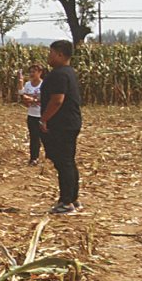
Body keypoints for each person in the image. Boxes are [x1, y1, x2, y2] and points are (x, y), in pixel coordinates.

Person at [39, 40, 84, 215]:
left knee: (64, 163)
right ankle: (73, 198)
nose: (48, 57)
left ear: (60, 54)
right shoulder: (69, 72)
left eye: (51, 53)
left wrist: (44, 119)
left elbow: (57, 100)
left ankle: (66, 202)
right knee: (68, 162)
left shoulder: (59, 74)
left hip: (62, 125)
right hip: (70, 122)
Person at [18, 64, 44, 165]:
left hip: (42, 115)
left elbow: (45, 98)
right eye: (31, 72)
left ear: (40, 73)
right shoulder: (28, 84)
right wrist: (20, 83)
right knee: (34, 137)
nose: (32, 74)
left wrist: (32, 99)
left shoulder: (43, 85)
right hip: (32, 115)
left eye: (34, 71)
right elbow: (22, 96)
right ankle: (34, 158)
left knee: (44, 137)